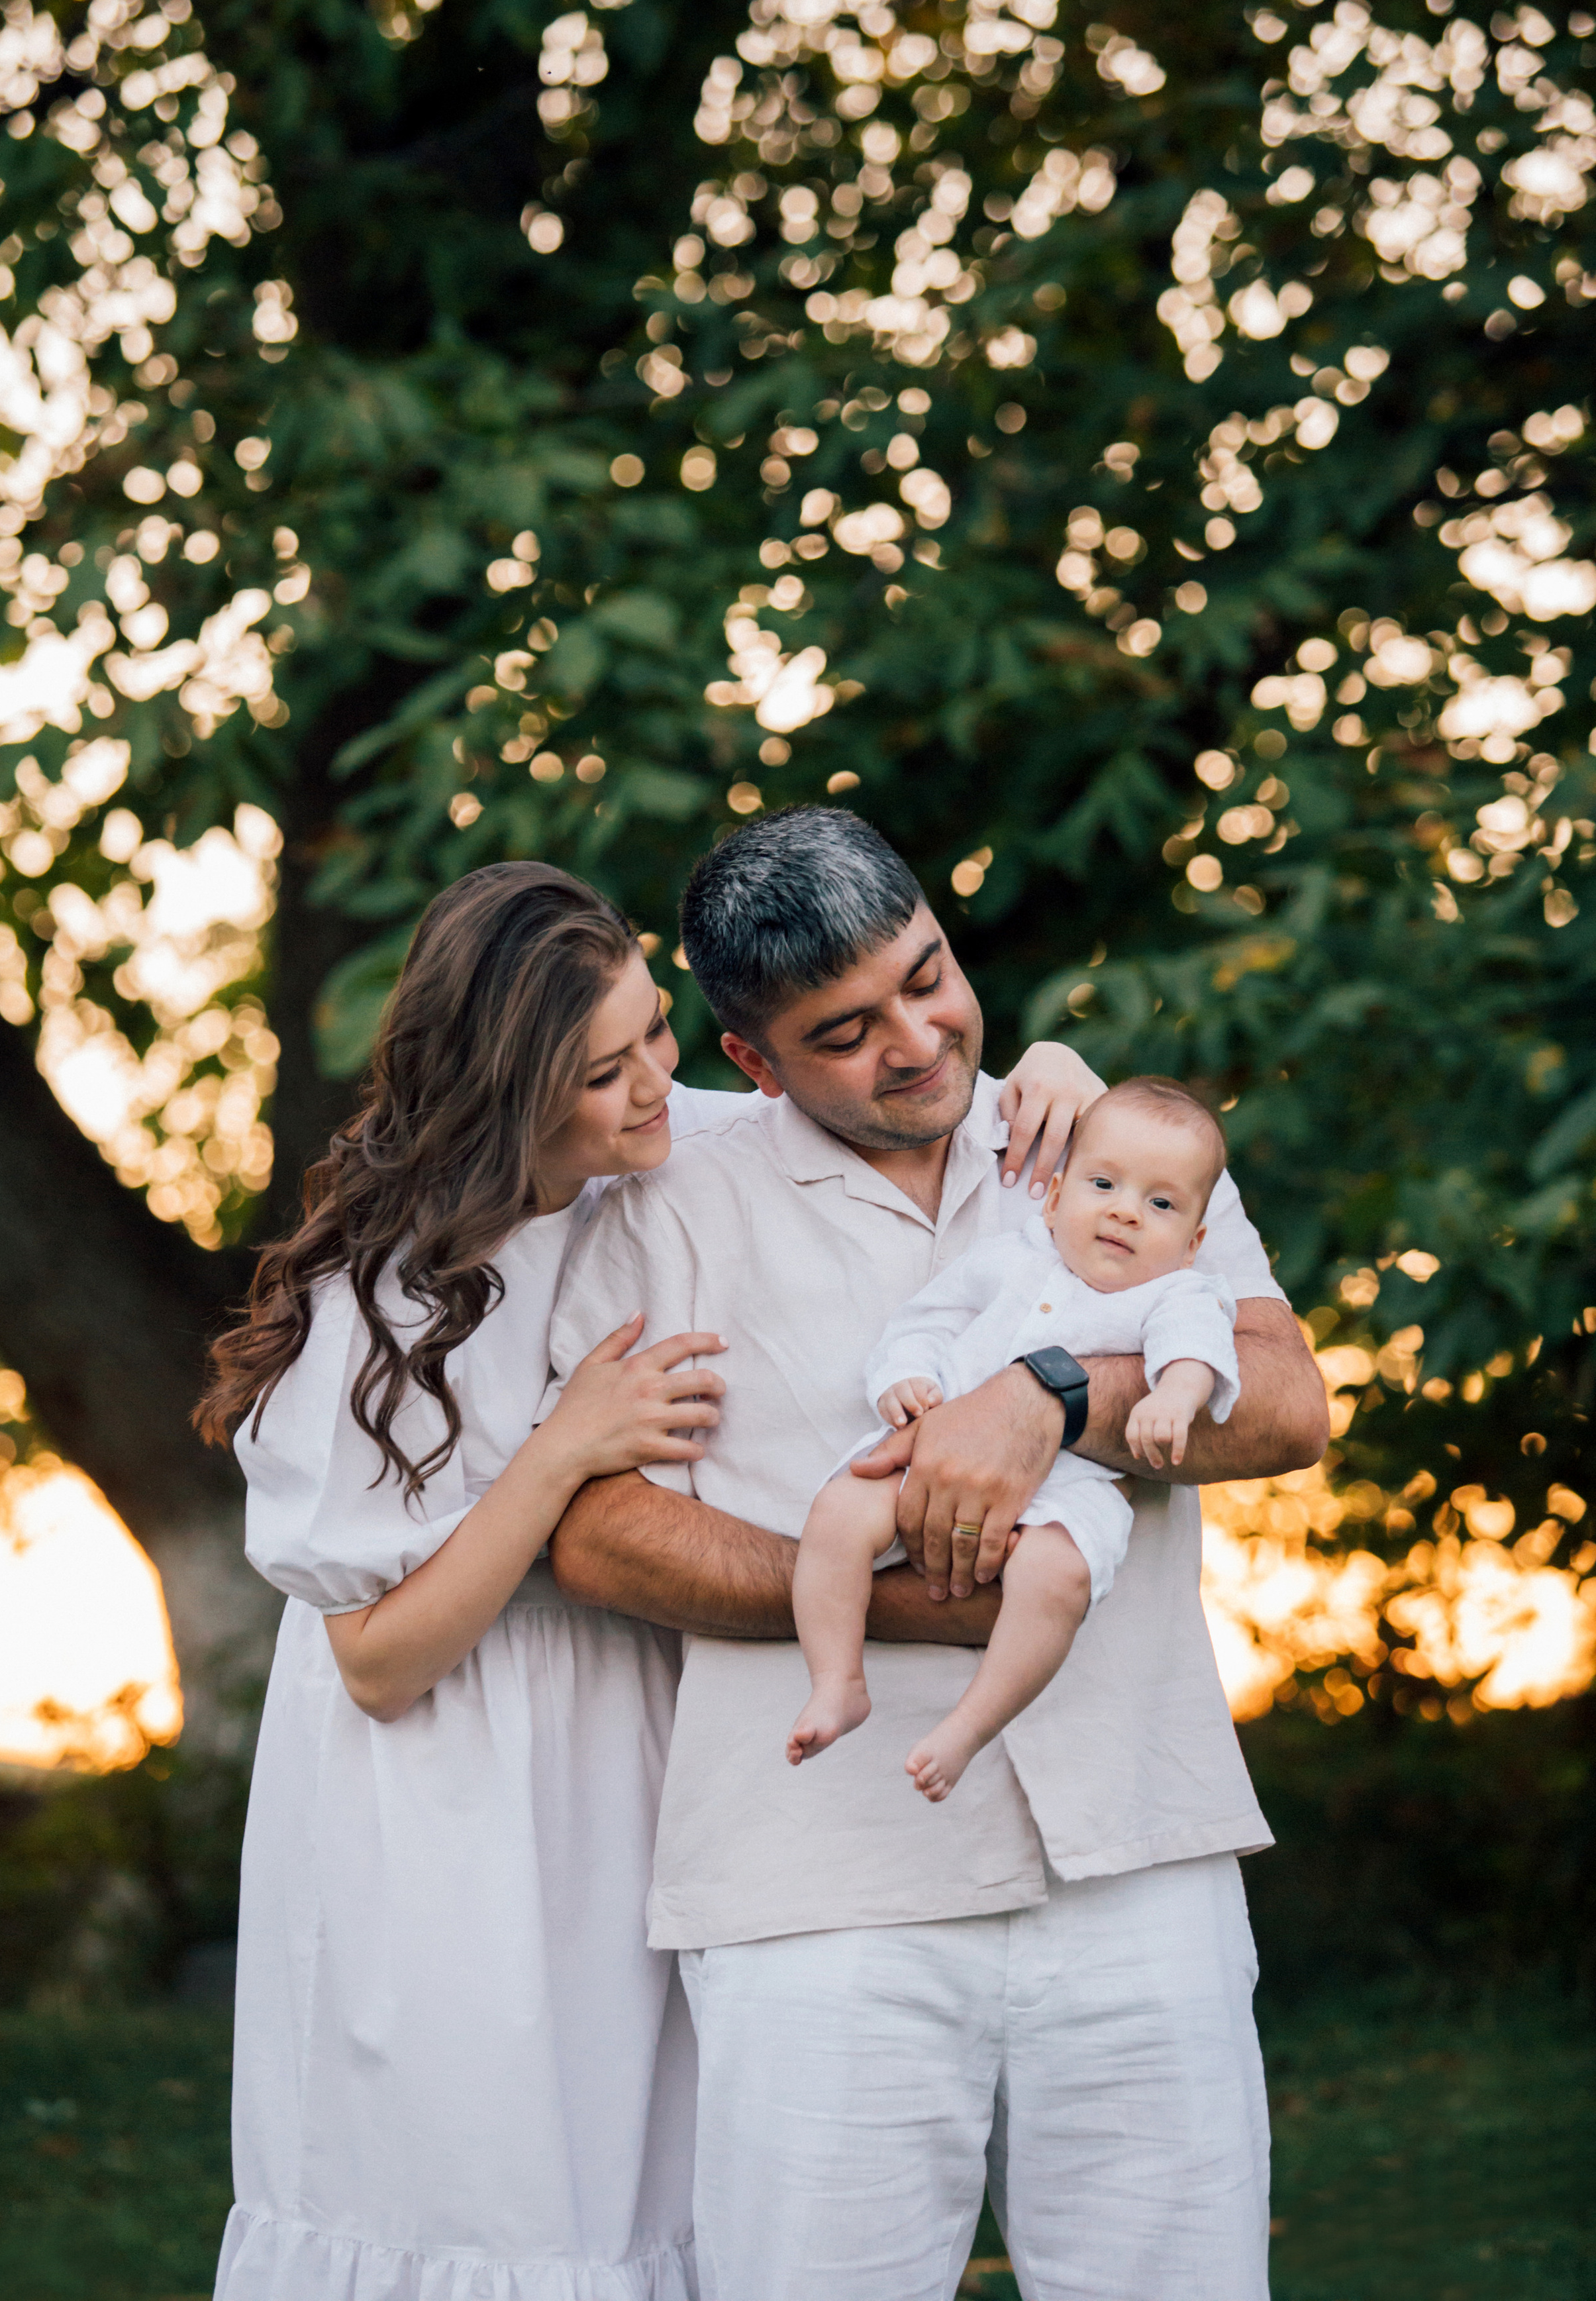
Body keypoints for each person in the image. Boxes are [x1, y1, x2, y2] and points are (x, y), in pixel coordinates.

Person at [195, 856, 1099, 2301]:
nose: (653, 1092)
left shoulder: (675, 1150)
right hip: (449, 1793)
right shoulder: (380, 1298)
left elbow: (896, 1099)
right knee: (493, 2181)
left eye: (654, 1037)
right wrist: (556, 1457)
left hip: (638, 1748)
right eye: (603, 1072)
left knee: (663, 2181)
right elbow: (374, 1661)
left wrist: (1052, 1071)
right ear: (504, 1091)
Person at [545, 807, 1330, 2301]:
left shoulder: (1116, 1148)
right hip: (821, 1886)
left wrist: (1049, 1400)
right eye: (845, 1032)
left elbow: (1284, 1402)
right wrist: (906, 1608)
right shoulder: (665, 1210)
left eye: (927, 976)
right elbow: (598, 1532)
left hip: (1137, 1851)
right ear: (755, 1064)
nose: (915, 1039)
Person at [787, 1075, 1239, 1804]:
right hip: (937, 1449)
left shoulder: (1174, 1293)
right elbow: (926, 1321)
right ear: (1056, 1199)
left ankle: (968, 1726)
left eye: (1159, 1204)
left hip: (1071, 1486)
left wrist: (1176, 1396)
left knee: (1058, 1578)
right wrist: (904, 1379)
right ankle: (836, 1681)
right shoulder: (1006, 1261)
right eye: (1103, 1184)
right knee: (839, 1511)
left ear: (1191, 1244)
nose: (1125, 1212)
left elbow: (1194, 1347)